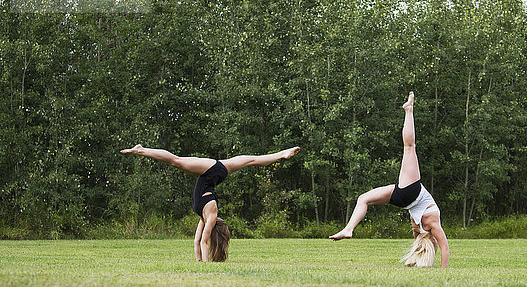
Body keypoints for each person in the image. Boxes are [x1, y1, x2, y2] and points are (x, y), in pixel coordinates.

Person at [329, 91, 449, 268]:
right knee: (364, 199)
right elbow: (441, 245)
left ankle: (409, 111)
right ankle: (348, 229)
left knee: (409, 147)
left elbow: (444, 247)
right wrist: (440, 267)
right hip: (405, 200)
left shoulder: (430, 224)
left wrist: (443, 270)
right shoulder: (423, 229)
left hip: (411, 192)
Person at [120, 145, 300, 262]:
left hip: (214, 173)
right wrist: (206, 267)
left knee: (250, 160)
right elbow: (205, 242)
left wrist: (199, 264)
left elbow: (197, 241)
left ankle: (282, 154)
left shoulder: (204, 216)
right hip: (213, 171)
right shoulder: (210, 211)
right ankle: (141, 150)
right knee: (177, 161)